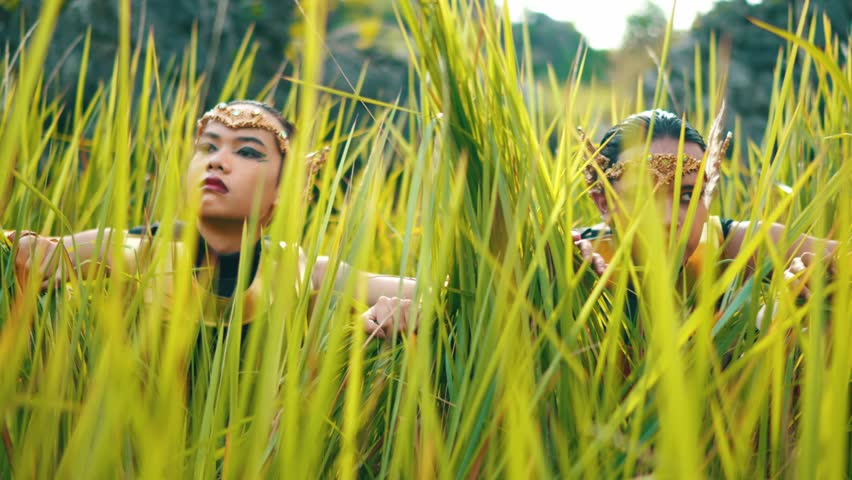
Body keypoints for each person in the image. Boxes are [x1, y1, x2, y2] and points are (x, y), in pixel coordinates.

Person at [5, 100, 416, 340]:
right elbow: (28, 252)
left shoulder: (303, 271)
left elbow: (452, 292)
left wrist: (393, 313)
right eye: (207, 147)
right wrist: (28, 250)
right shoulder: (133, 253)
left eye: (248, 152)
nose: (218, 161)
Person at [572, 108, 841, 317]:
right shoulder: (571, 260)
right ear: (603, 203)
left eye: (688, 196)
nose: (668, 219)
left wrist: (813, 272)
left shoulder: (729, 245)